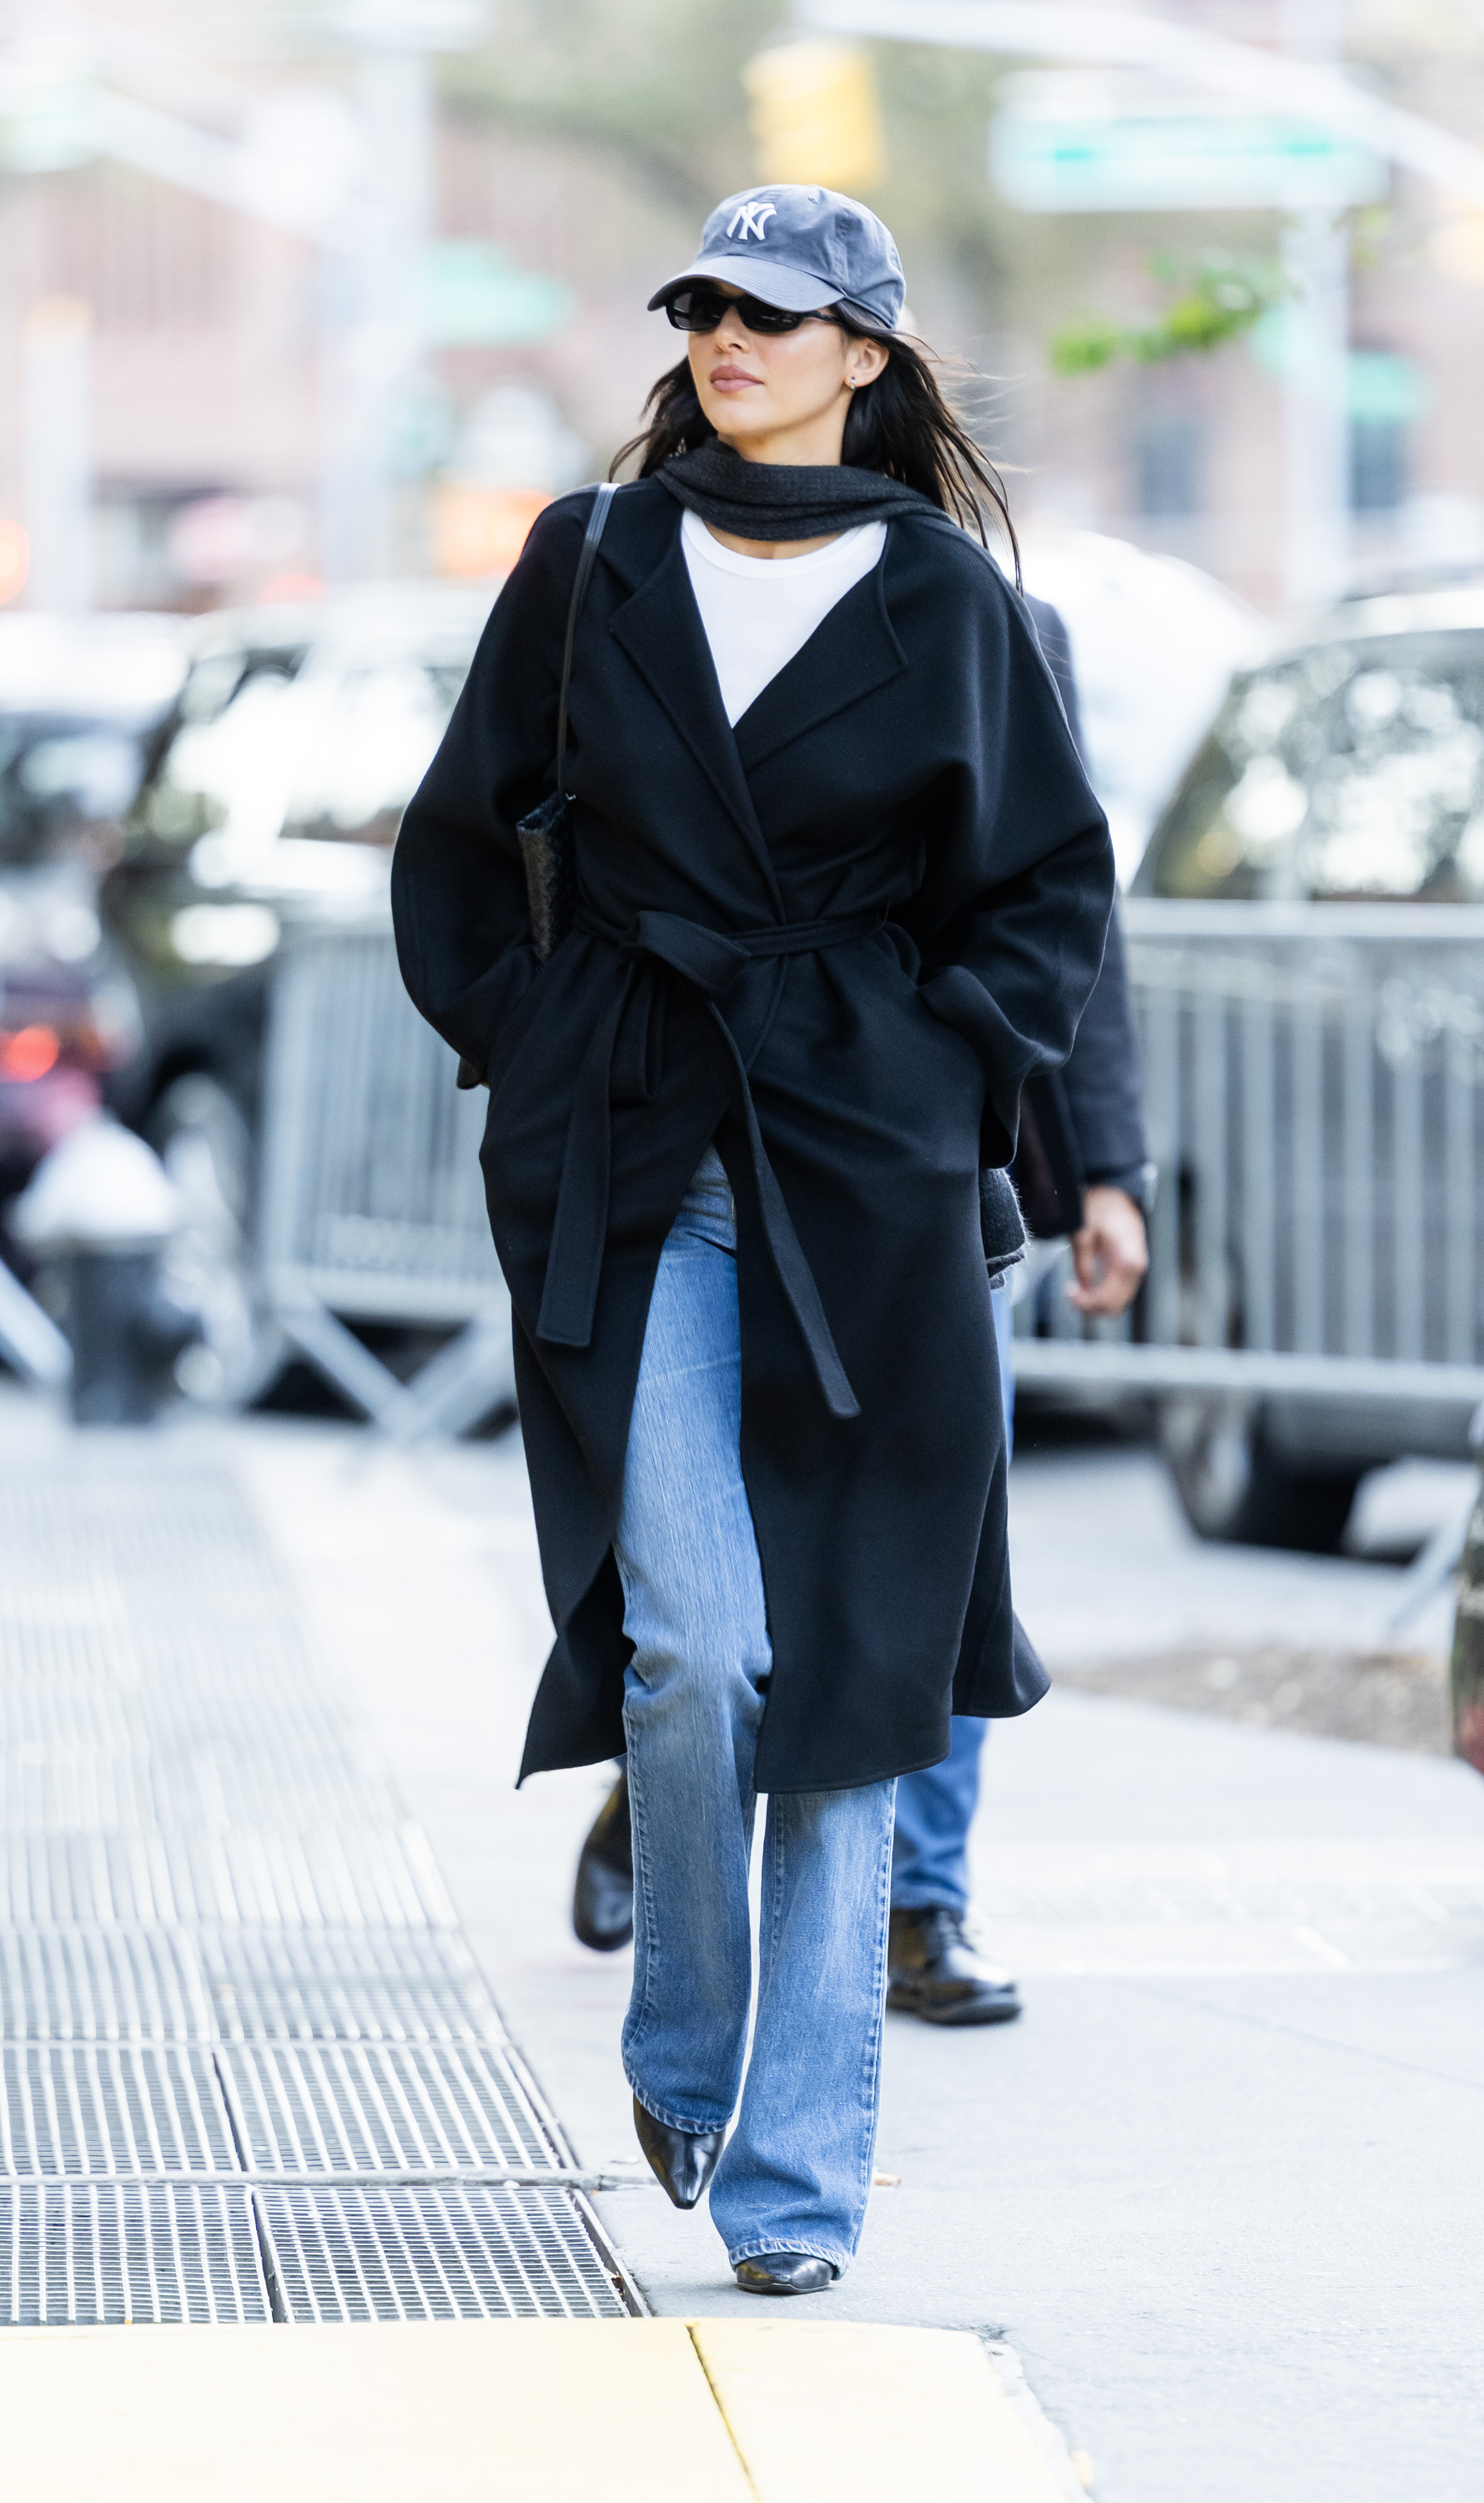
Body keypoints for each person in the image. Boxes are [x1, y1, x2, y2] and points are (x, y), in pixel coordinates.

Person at [392, 184, 1114, 2296]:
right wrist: (543, 1044)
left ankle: (795, 2190)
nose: (729, 337)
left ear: (864, 358)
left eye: (777, 315)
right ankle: (687, 2031)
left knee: (862, 1681)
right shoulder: (590, 555)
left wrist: (927, 1067)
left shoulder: (947, 599)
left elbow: (1049, 899)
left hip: (868, 1190)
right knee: (698, 1646)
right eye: (705, 303)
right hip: (641, 1166)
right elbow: (458, 845)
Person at [573, 608, 1153, 2027]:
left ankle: (919, 1902)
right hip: (709, 1154)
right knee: (718, 1593)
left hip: (925, 1183)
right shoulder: (673, 590)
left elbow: (1067, 923)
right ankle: (664, 1785)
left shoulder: (994, 624)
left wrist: (1109, 1174)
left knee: (933, 1554)